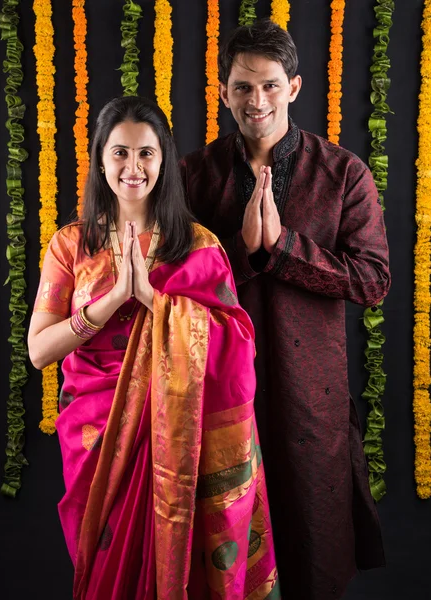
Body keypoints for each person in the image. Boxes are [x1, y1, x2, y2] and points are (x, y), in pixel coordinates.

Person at [28, 95, 280, 600]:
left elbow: (239, 351)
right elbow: (39, 351)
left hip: (177, 441)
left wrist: (150, 297)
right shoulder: (70, 245)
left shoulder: (198, 247)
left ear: (163, 161)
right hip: (97, 441)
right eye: (120, 153)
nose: (133, 167)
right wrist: (112, 299)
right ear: (100, 160)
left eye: (146, 153)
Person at [180, 18, 390, 600]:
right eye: (243, 87)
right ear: (223, 91)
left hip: (311, 399)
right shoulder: (194, 177)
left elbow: (374, 280)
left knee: (312, 553)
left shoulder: (343, 174)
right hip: (221, 396)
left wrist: (284, 250)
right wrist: (243, 257)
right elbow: (173, 287)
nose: (257, 101)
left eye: (270, 85)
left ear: (294, 88)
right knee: (223, 560)